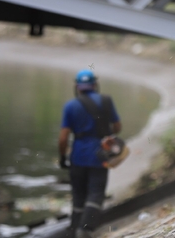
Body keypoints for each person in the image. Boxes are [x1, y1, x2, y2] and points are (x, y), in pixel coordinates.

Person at [58, 69, 121, 237]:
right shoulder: (106, 101)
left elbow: (63, 138)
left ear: (77, 87)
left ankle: (75, 228)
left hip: (77, 157)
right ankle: (84, 230)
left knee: (78, 194)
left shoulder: (70, 106)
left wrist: (63, 157)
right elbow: (117, 127)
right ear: (95, 85)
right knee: (96, 193)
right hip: (100, 155)